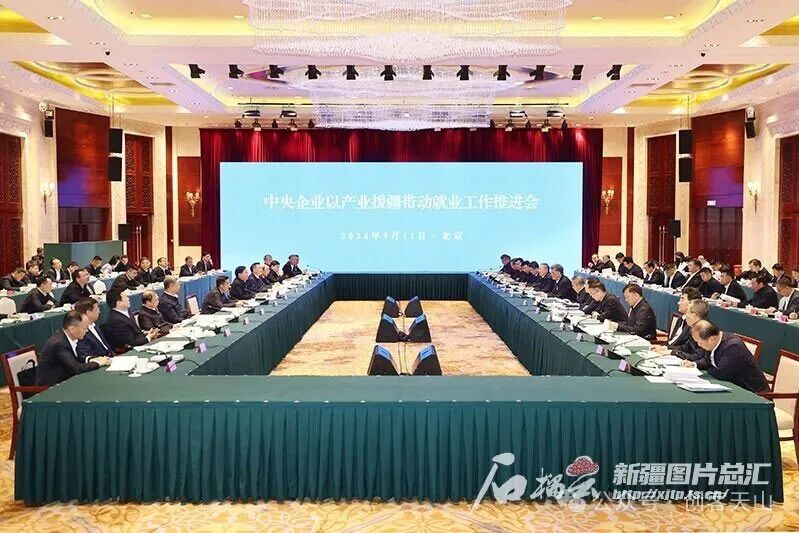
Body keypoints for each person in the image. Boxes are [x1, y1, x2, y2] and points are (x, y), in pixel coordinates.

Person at [681, 320, 769, 393]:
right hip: (733, 386)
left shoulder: (733, 346)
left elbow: (722, 374)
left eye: (699, 342)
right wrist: (694, 364)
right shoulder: (713, 342)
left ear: (711, 339)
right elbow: (708, 361)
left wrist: (706, 370)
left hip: (752, 392)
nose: (699, 345)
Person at [36, 311, 109, 386]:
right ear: (72, 329)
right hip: (52, 386)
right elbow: (75, 368)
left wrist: (91, 359)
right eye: (85, 328)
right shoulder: (59, 344)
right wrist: (98, 363)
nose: (87, 331)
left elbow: (76, 357)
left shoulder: (69, 337)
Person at [659, 288, 703, 354]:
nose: (678, 303)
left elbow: (687, 349)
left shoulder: (696, 326)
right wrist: (665, 348)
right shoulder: (681, 319)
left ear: (692, 303)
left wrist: (670, 351)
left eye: (682, 299)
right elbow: (672, 341)